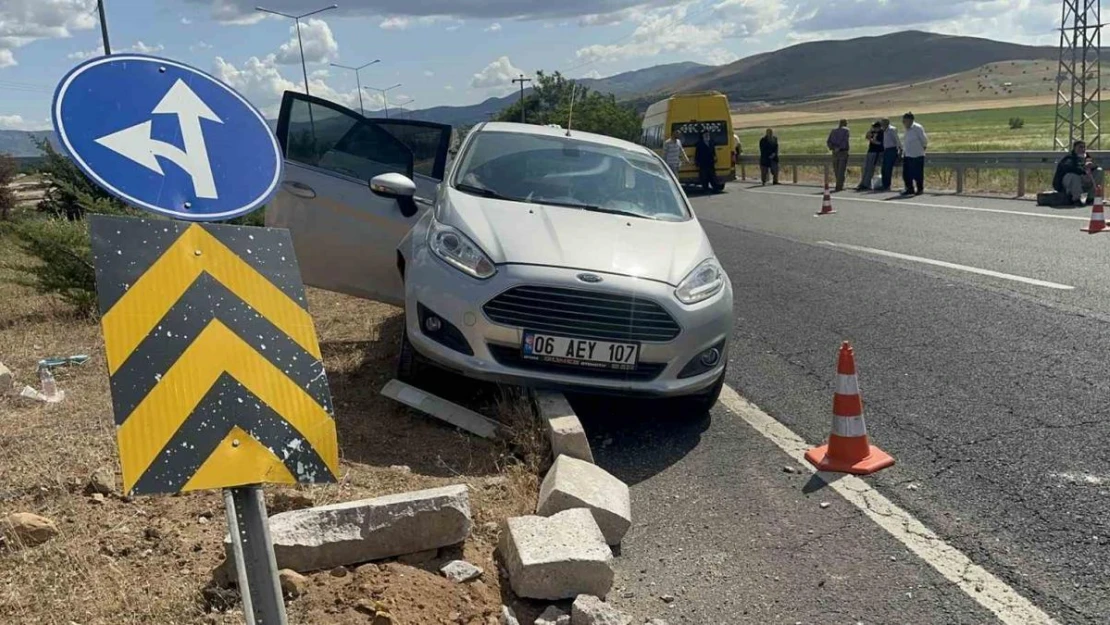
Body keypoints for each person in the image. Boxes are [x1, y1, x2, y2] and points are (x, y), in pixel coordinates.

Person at [1053, 140, 1096, 207]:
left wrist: (1092, 167)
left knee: (1099, 171)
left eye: (1084, 147)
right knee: (1073, 176)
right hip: (1065, 184)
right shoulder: (1069, 157)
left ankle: (1091, 197)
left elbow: (1094, 166)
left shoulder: (1087, 157)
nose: (1082, 149)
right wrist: (1083, 172)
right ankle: (1077, 199)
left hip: (1083, 180)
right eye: (1080, 147)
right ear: (1074, 148)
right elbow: (1070, 168)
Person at [900, 112, 928, 196]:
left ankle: (920, 189)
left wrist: (922, 149)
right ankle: (909, 188)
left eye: (905, 121)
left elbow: (924, 140)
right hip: (907, 154)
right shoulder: (906, 130)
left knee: (918, 173)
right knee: (906, 174)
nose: (903, 123)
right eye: (903, 121)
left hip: (917, 155)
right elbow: (905, 142)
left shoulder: (917, 128)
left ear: (910, 120)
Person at [857, 121, 884, 190]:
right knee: (865, 168)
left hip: (876, 152)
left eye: (875, 127)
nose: (874, 128)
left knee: (870, 169)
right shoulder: (873, 132)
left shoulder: (881, 133)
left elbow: (879, 143)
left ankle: (866, 184)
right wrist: (870, 131)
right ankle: (863, 183)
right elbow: (867, 136)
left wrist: (871, 140)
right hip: (870, 151)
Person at [826, 119, 850, 191]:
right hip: (843, 152)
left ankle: (838, 184)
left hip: (834, 152)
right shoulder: (846, 130)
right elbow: (845, 141)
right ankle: (839, 186)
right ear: (845, 124)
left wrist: (833, 148)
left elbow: (828, 141)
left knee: (836, 169)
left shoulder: (833, 131)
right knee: (841, 170)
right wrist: (839, 148)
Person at [879, 118, 901, 191]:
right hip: (886, 150)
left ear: (887, 123)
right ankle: (884, 184)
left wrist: (899, 150)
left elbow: (897, 140)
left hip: (892, 150)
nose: (881, 125)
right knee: (883, 169)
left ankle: (887, 185)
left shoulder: (892, 130)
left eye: (883, 123)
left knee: (888, 168)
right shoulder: (883, 131)